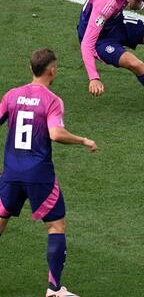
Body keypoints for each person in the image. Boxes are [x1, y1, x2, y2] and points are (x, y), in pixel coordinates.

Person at [0, 49, 97, 297]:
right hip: (39, 175)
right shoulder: (51, 100)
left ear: (30, 68)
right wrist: (83, 140)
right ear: (52, 70)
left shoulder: (12, 95)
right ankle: (54, 290)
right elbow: (55, 134)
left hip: (11, 172)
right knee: (56, 225)